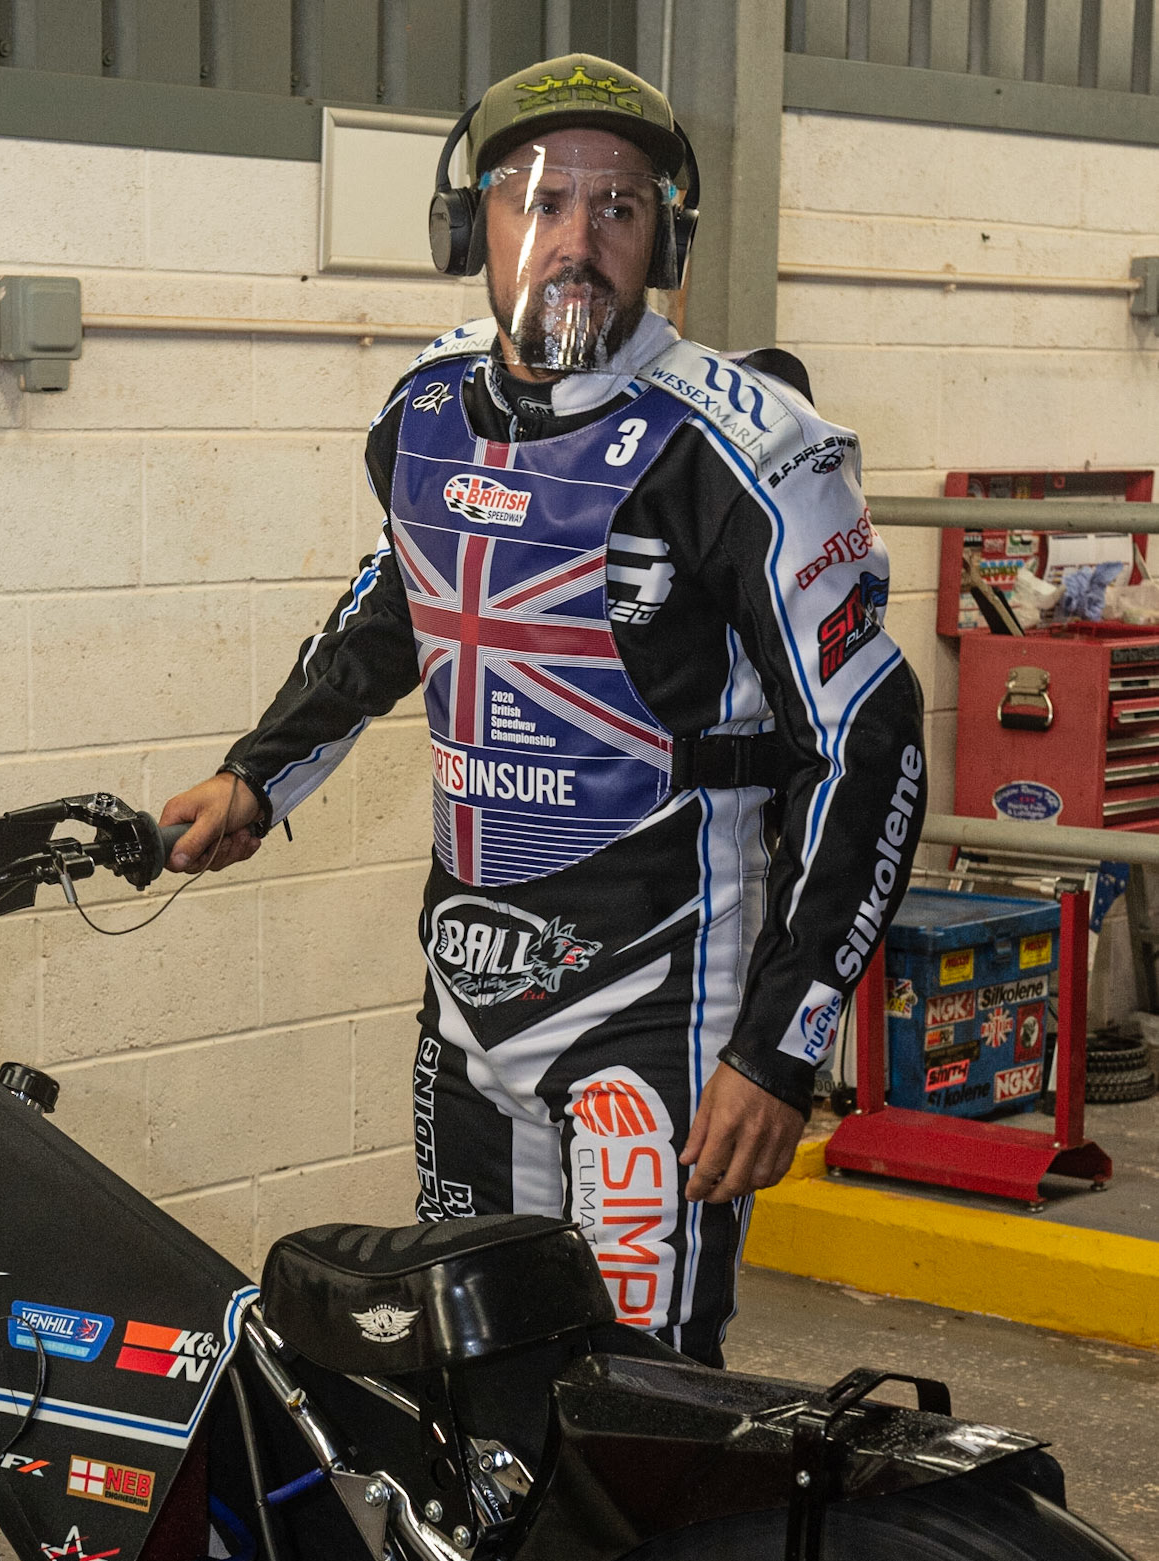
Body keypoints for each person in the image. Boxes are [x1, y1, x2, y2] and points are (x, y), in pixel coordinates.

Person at [160, 52, 925, 1363]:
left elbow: (872, 745)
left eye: (618, 208)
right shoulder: (422, 412)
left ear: (664, 244)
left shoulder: (752, 453)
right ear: (473, 229)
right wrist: (257, 776)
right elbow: (396, 607)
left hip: (662, 1012)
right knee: (466, 1366)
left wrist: (781, 1049)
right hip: (468, 998)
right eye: (538, 199)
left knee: (632, 1410)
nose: (578, 239)